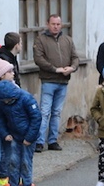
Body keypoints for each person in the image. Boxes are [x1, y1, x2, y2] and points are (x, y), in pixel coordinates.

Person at [33, 14, 79, 153]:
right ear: (48, 24)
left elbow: (75, 57)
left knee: (57, 112)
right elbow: (38, 59)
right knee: (45, 111)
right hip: (48, 80)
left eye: (58, 24)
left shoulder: (67, 40)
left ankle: (53, 140)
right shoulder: (41, 40)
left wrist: (72, 67)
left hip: (63, 81)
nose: (56, 26)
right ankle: (40, 141)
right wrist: (55, 69)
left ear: (61, 25)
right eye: (53, 24)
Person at [0, 79, 41, 186]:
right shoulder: (1, 102)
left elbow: (36, 118)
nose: (6, 103)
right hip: (13, 136)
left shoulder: (26, 98)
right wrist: (5, 134)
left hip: (27, 136)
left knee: (25, 163)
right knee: (12, 162)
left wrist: (29, 138)